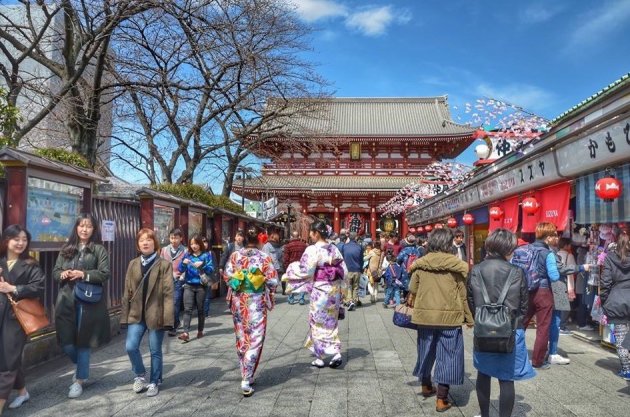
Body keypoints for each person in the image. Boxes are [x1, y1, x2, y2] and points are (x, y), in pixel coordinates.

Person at [468, 229, 536, 417]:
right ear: (508, 249)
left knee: (483, 373)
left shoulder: (475, 270)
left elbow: (471, 301)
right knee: (507, 379)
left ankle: (484, 414)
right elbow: (523, 304)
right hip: (511, 329)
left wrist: (484, 320)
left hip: (483, 329)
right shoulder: (517, 272)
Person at [407, 227, 472, 412]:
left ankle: (426, 385)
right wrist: (469, 318)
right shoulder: (456, 265)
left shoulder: (420, 264)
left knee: (426, 351)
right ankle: (441, 399)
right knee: (449, 356)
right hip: (450, 318)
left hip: (425, 317)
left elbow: (412, 288)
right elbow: (462, 295)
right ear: (447, 243)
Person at [54, 214, 111, 399]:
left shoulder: (98, 250)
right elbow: (55, 272)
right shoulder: (67, 249)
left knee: (83, 341)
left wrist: (83, 274)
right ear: (76, 228)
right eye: (81, 226)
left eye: (88, 226)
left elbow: (104, 274)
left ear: (94, 230)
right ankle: (82, 366)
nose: (84, 229)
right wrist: (62, 274)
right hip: (67, 299)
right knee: (66, 342)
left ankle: (79, 380)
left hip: (88, 301)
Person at [283, 221, 348, 369]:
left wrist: (291, 269)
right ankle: (334, 352)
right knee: (331, 322)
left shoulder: (312, 249)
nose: (310, 235)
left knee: (317, 322)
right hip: (333, 291)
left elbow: (306, 270)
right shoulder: (334, 249)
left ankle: (321, 357)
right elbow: (343, 270)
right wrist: (343, 290)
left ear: (315, 233)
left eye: (311, 233)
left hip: (320, 291)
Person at [224, 226, 278, 396]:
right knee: (255, 338)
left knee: (242, 337)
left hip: (239, 301)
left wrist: (240, 279)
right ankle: (246, 378)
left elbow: (227, 276)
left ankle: (246, 373)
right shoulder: (264, 257)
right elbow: (272, 280)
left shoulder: (235, 255)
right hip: (256, 301)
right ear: (260, 240)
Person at [121, 228, 174, 397]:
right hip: (136, 314)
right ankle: (140, 375)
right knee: (130, 346)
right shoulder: (133, 264)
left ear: (155, 243)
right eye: (142, 240)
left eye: (149, 239)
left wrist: (168, 319)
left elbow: (168, 293)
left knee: (155, 350)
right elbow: (127, 292)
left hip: (156, 313)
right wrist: (124, 316)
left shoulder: (164, 265)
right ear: (138, 244)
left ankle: (155, 381)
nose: (145, 242)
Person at [0, 225, 45, 414]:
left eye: (24, 239)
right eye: (16, 239)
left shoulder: (30, 264)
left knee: (7, 361)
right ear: (7, 240)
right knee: (10, 357)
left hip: (15, 318)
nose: (20, 243)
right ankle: (23, 392)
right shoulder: (0, 262)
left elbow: (39, 287)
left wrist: (14, 289)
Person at [520, 222, 561, 370]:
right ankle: (537, 361)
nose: (556, 238)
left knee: (521, 323)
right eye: (554, 235)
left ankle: (512, 353)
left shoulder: (525, 249)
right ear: (548, 237)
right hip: (543, 293)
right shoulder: (548, 253)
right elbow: (554, 276)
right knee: (543, 327)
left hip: (526, 292)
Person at [600, 231, 630, 380]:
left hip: (617, 301)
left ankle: (627, 370)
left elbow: (605, 282)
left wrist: (605, 301)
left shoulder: (610, 258)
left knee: (621, 338)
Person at [177, 234, 214, 342]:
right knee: (187, 309)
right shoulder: (187, 255)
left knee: (200, 309)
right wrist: (183, 264)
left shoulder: (206, 255)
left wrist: (202, 265)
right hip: (188, 285)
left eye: (196, 243)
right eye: (192, 244)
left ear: (200, 244)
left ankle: (200, 330)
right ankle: (185, 333)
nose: (194, 246)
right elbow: (180, 268)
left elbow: (211, 269)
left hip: (201, 285)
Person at [159, 228, 186, 337]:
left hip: (178, 280)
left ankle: (174, 326)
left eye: (176, 238)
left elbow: (187, 266)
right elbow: (160, 264)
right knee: (167, 304)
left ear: (181, 238)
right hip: (166, 280)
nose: (173, 240)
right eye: (172, 238)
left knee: (175, 303)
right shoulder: (164, 250)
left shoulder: (185, 251)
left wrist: (182, 276)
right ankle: (174, 321)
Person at [283, 231, 308, 305]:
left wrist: (286, 267)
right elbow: (306, 257)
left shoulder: (288, 246)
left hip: (292, 265)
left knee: (291, 282)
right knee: (302, 282)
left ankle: (291, 298)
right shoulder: (304, 245)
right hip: (301, 265)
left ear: (292, 237)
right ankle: (301, 298)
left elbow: (286, 258)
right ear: (299, 236)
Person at [341, 231, 363, 311]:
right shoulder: (359, 247)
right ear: (356, 237)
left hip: (347, 269)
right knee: (356, 286)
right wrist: (361, 269)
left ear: (348, 237)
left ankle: (350, 301)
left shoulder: (344, 246)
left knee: (348, 286)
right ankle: (354, 301)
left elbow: (342, 258)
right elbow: (361, 260)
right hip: (357, 269)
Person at [202, 236, 219, 318]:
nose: (204, 244)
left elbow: (215, 266)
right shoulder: (195, 253)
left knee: (207, 296)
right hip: (197, 277)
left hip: (208, 277)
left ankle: (205, 312)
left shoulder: (211, 253)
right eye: (202, 242)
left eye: (205, 242)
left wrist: (215, 280)